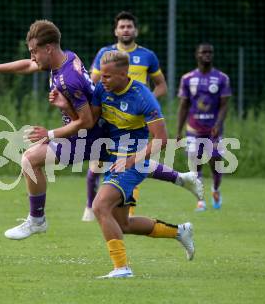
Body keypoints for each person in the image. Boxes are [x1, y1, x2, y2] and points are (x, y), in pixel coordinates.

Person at [0, 20, 104, 240]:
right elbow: (28, 66)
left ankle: (37, 221)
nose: (32, 56)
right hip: (83, 133)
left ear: (48, 48)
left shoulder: (68, 80)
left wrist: (49, 134)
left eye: (34, 51)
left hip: (89, 138)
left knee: (30, 159)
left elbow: (87, 121)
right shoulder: (66, 58)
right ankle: (181, 180)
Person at [81, 11, 202, 221]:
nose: (126, 30)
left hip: (133, 121)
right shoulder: (104, 54)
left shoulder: (147, 56)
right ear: (116, 30)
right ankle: (91, 207)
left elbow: (161, 86)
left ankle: (112, 208)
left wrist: (143, 106)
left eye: (129, 26)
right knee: (104, 162)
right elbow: (93, 86)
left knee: (129, 162)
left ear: (135, 30)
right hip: (109, 115)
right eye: (122, 26)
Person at [89, 50, 194, 278]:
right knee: (123, 224)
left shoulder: (142, 96)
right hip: (111, 160)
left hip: (133, 162)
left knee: (99, 207)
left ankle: (121, 268)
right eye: (102, 75)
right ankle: (180, 231)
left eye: (107, 76)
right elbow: (90, 122)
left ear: (124, 73)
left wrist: (130, 160)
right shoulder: (101, 89)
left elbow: (162, 140)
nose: (102, 80)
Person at [177, 43, 231, 211]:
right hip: (193, 128)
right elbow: (184, 105)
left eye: (210, 52)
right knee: (195, 163)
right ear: (197, 55)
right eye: (203, 52)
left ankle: (215, 189)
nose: (207, 55)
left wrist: (218, 124)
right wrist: (178, 131)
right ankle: (200, 200)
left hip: (213, 129)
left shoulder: (222, 78)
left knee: (215, 163)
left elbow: (224, 105)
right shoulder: (187, 79)